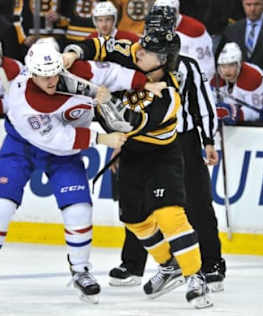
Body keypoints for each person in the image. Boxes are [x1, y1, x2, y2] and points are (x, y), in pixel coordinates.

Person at [0, 40, 157, 304]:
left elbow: (111, 72)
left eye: (55, 72)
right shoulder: (22, 99)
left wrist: (142, 84)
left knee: (79, 209)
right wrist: (102, 140)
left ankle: (80, 271)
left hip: (64, 155)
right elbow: (55, 138)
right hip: (22, 146)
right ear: (32, 73)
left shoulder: (75, 70)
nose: (51, 80)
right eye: (44, 76)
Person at [64, 27, 213, 309]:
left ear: (165, 60)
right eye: (142, 47)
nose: (139, 51)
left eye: (149, 51)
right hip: (132, 154)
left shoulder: (168, 95)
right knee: (133, 218)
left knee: (169, 215)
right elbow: (103, 46)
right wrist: (75, 53)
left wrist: (98, 97)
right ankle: (169, 266)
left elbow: (123, 124)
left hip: (161, 157)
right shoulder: (136, 55)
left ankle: (196, 276)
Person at [107, 6, 225, 296]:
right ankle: (133, 264)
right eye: (151, 25)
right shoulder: (137, 63)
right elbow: (125, 105)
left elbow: (203, 104)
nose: (154, 30)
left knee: (196, 201)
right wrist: (118, 142)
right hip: (141, 139)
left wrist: (208, 139)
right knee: (136, 204)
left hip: (181, 140)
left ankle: (211, 265)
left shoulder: (187, 65)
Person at [213, 42, 263, 124]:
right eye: (223, 66)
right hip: (260, 98)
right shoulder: (218, 79)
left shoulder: (251, 78)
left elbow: (255, 112)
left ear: (239, 64)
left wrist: (236, 114)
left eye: (231, 65)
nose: (226, 70)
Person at [150, 0, 216, 80]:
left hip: (188, 82)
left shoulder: (195, 30)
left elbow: (207, 67)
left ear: (177, 11)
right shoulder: (151, 27)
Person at [221, 0, 263, 74]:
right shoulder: (232, 29)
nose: (252, 9)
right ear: (243, 5)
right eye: (248, 5)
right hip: (239, 81)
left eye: (257, 4)